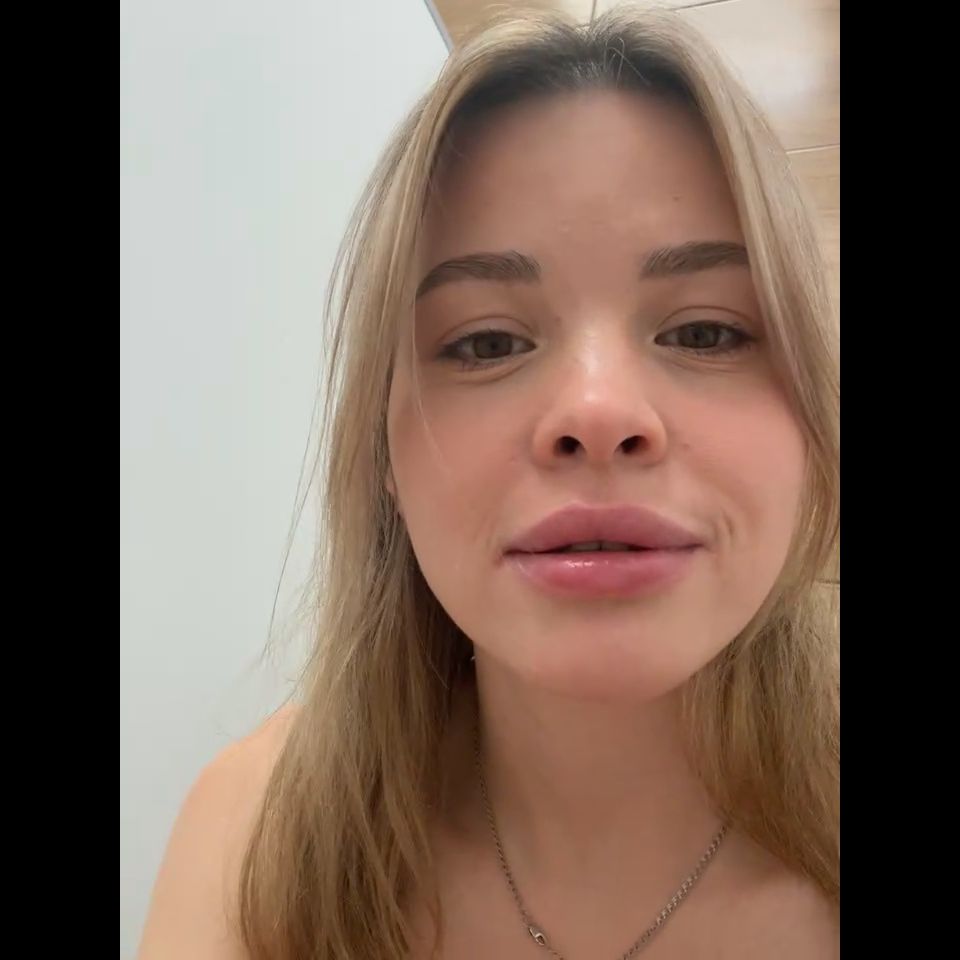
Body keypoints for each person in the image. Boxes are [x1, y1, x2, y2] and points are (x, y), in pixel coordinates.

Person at [137, 6, 840, 958]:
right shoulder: (251, 837)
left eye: (706, 331)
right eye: (486, 343)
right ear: (382, 453)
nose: (598, 412)